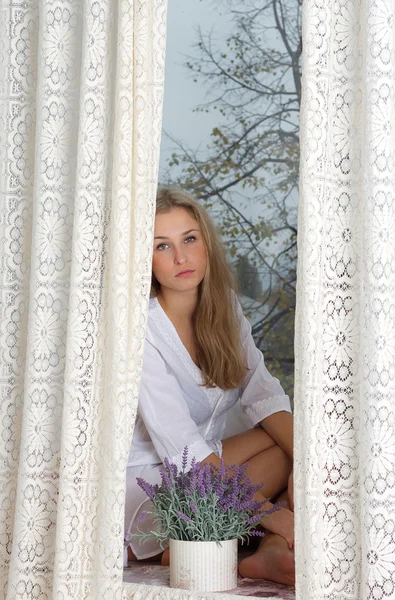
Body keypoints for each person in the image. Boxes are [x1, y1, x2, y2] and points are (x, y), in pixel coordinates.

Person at [125, 187, 295, 585]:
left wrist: (312, 471)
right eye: (162, 246)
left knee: (288, 445)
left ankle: (261, 549)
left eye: (189, 239)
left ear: (206, 242)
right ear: (144, 259)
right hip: (154, 479)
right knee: (276, 456)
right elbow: (182, 448)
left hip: (209, 467)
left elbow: (263, 393)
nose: (181, 258)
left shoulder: (226, 307)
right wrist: (273, 513)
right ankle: (189, 542)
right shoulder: (142, 328)